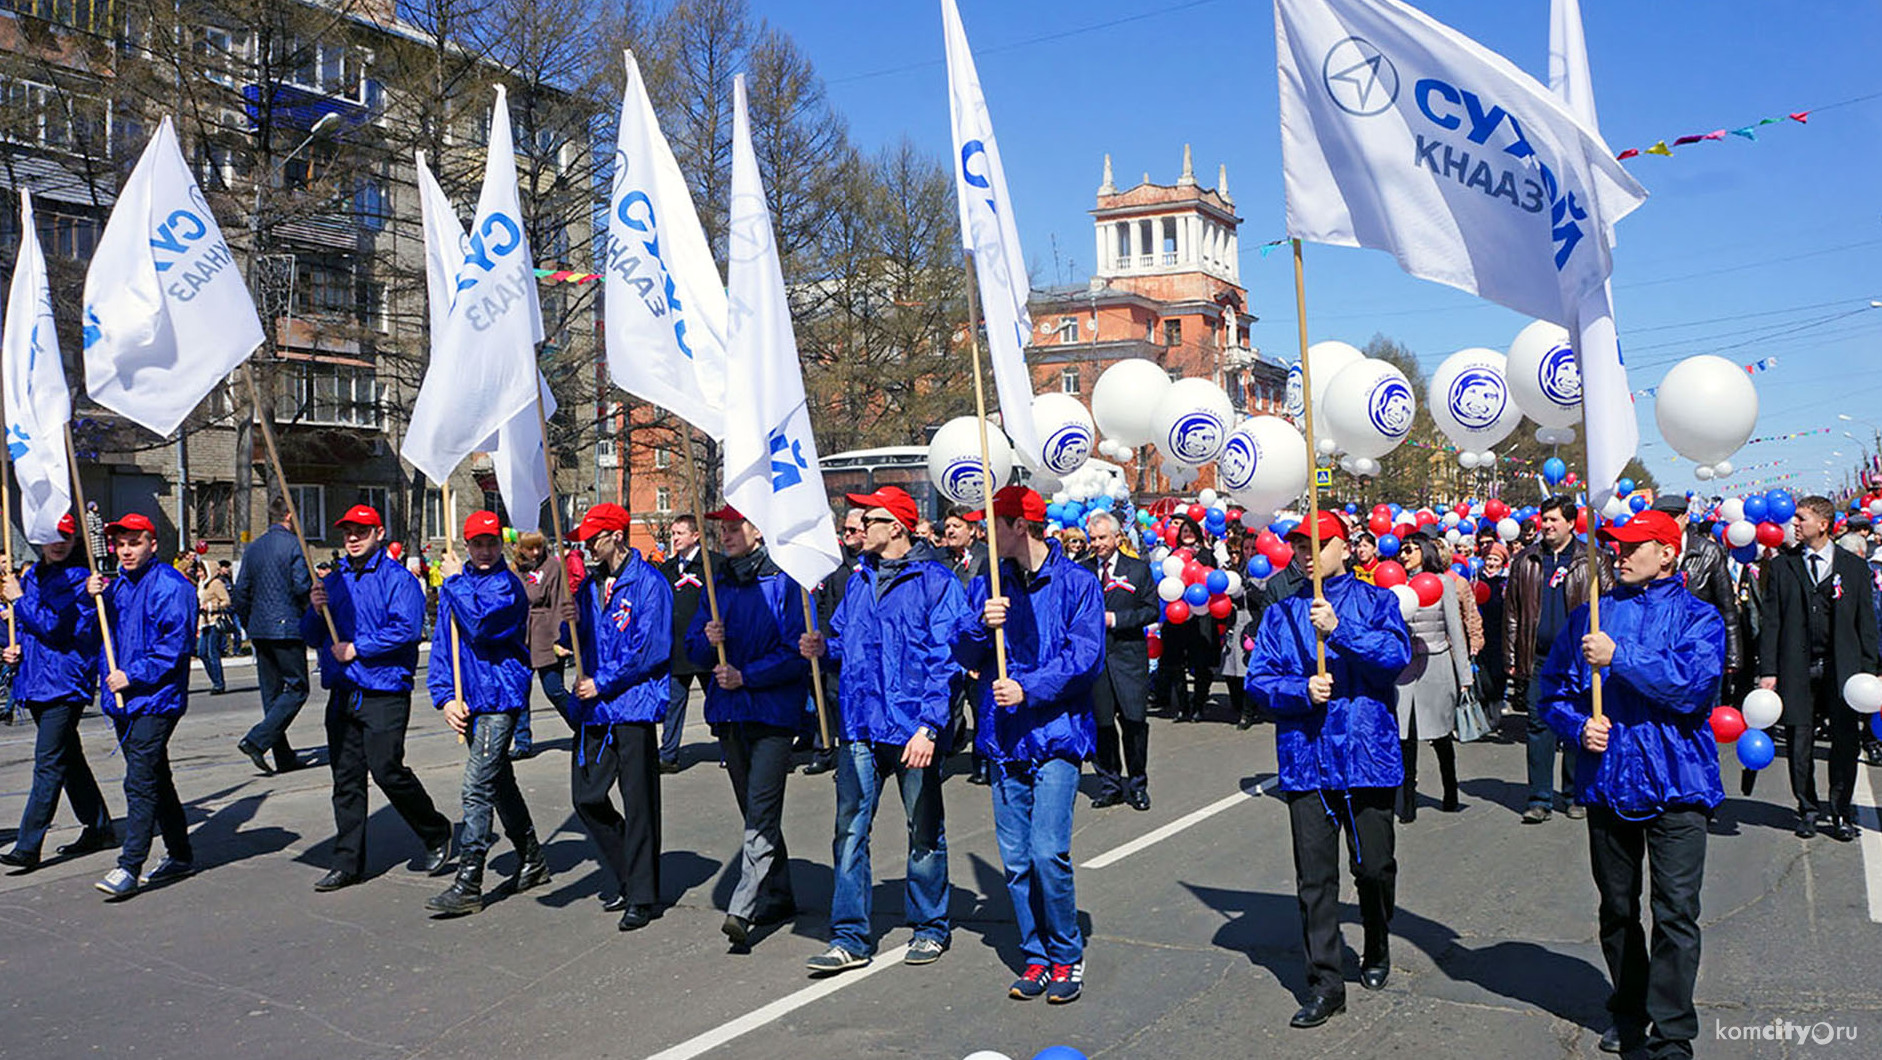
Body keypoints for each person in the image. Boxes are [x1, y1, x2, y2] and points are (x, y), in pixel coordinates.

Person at [1537, 510, 1726, 1059]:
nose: (1618, 554)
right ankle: (1628, 1007)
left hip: (1679, 782)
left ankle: (1672, 1032)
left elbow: (1691, 689)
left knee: (1675, 912)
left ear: (1667, 552)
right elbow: (1551, 695)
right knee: (1618, 907)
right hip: (1609, 781)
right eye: (1615, 546)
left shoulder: (1700, 618)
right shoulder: (1590, 617)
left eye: (1632, 546)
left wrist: (1620, 658)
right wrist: (1578, 726)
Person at [1246, 512, 1410, 1029]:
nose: (1306, 553)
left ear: (1346, 547)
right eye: (1298, 544)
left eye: (1319, 543)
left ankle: (1377, 941)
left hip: (1367, 757)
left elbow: (1396, 657)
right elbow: (1258, 680)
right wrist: (1299, 691)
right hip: (1307, 759)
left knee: (1374, 868)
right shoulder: (1280, 614)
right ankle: (1325, 982)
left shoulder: (1377, 601)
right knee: (1314, 879)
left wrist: (1340, 632)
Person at [799, 486, 968, 974]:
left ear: (896, 526)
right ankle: (850, 936)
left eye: (869, 518)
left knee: (924, 831)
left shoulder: (935, 582)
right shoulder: (857, 581)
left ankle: (930, 926)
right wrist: (820, 647)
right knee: (849, 831)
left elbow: (947, 660)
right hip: (860, 726)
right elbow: (845, 644)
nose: (859, 525)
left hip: (913, 728)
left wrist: (929, 728)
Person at [951, 485, 1103, 1005]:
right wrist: (979, 623)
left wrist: (1029, 687)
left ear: (1019, 525)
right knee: (1015, 860)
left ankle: (1066, 952)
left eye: (991, 524)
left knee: (1046, 851)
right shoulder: (988, 585)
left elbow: (1084, 657)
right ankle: (1035, 953)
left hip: (1057, 735)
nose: (981, 534)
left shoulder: (1078, 583)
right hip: (1002, 735)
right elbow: (963, 648)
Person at [304, 504, 454, 893]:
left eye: (361, 531)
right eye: (348, 532)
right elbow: (310, 634)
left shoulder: (397, 579)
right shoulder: (333, 581)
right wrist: (313, 608)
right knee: (346, 779)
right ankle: (347, 862)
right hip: (343, 692)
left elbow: (406, 630)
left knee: (388, 770)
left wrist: (359, 649)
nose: (353, 538)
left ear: (379, 533)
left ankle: (435, 831)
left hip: (383, 689)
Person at [686, 506, 812, 947]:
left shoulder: (784, 582)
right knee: (753, 808)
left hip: (773, 715)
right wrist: (707, 640)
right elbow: (691, 651)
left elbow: (796, 650)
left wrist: (747, 676)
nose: (726, 534)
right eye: (722, 527)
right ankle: (780, 892)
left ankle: (744, 904)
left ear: (758, 530)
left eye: (735, 526)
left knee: (760, 807)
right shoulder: (716, 585)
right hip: (729, 714)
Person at [424, 512, 551, 916]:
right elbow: (445, 645)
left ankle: (469, 882)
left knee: (476, 786)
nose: (484, 551)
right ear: (466, 545)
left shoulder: (508, 586)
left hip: (499, 696)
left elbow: (480, 625)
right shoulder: (455, 588)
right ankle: (532, 859)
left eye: (491, 543)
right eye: (477, 544)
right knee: (498, 783)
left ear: (501, 544)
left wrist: (455, 581)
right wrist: (445, 697)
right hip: (469, 698)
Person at [568, 502, 673, 931]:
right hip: (596, 709)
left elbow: (650, 649)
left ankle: (642, 896)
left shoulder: (649, 584)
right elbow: (575, 641)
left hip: (633, 704)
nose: (588, 546)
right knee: (587, 796)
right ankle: (630, 871)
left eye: (594, 538)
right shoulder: (589, 586)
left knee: (639, 800)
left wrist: (604, 681)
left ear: (615, 535)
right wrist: (566, 625)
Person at [89, 513, 199, 900]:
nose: (126, 550)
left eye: (134, 542)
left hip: (156, 699)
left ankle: (129, 865)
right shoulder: (116, 587)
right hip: (124, 700)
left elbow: (174, 647)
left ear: (153, 544)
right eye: (120, 544)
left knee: (138, 780)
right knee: (156, 775)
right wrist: (92, 600)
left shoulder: (171, 586)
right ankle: (180, 853)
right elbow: (100, 634)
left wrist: (132, 675)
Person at [1757, 495, 1878, 841]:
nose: (1794, 524)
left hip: (1843, 670)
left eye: (1802, 518)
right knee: (1799, 740)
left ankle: (1841, 811)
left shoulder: (1853, 568)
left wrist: (1870, 668)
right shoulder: (1783, 566)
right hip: (1797, 667)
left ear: (1823, 524)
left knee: (1844, 740)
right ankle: (1807, 808)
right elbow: (1772, 623)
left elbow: (1866, 623)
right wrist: (1768, 672)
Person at [0, 513, 115, 872]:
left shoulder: (82, 579)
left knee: (48, 763)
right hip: (35, 681)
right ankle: (98, 827)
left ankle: (28, 845)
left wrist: (19, 601)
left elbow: (55, 627)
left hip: (65, 682)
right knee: (69, 760)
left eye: (66, 535)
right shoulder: (31, 575)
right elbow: (29, 629)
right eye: (52, 536)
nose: (59, 542)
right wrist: (10, 648)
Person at [1505, 496, 1611, 824]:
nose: (1547, 526)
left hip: (1579, 660)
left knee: (1576, 724)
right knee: (1539, 725)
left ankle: (1575, 793)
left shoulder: (1592, 560)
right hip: (1540, 659)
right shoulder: (1526, 560)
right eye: (1544, 520)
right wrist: (1511, 654)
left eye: (1553, 520)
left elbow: (1608, 606)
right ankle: (1539, 798)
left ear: (1570, 523)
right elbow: (1513, 611)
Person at [1081, 510, 1157, 810]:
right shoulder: (1083, 570)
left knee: (1135, 723)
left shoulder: (1137, 570)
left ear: (1116, 537)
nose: (1097, 543)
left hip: (1128, 658)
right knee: (1102, 726)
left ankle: (1137, 783)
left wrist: (1117, 619)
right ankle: (1110, 784)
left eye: (1102, 537)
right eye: (1093, 538)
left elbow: (1151, 611)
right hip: (1096, 663)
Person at [232, 494, 312, 775]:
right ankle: (256, 739)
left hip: (260, 629)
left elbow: (240, 591)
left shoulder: (254, 548)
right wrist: (310, 621)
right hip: (287, 627)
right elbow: (302, 587)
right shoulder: (294, 545)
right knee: (298, 688)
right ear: (289, 516)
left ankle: (284, 756)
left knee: (272, 694)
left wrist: (248, 622)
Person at [1395, 539, 1469, 820]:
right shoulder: (1396, 583)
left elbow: (1455, 629)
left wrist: (1463, 674)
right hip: (1404, 669)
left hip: (1436, 664)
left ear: (1424, 552)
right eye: (1401, 550)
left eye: (1410, 550)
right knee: (1406, 736)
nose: (1404, 555)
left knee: (1439, 734)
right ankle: (1408, 800)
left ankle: (1450, 789)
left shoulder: (1442, 583)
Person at [659, 515, 720, 773]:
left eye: (680, 533)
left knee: (717, 702)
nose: (674, 538)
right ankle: (668, 754)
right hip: (677, 649)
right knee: (673, 704)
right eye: (672, 533)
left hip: (706, 647)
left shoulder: (713, 564)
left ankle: (731, 748)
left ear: (695, 536)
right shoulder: (668, 568)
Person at [1154, 514, 1218, 724]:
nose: (1187, 534)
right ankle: (1183, 707)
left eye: (1190, 530)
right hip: (1177, 615)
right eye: (1184, 531)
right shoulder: (1172, 555)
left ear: (1197, 533)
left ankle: (1199, 705)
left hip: (1200, 616)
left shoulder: (1207, 555)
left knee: (1201, 664)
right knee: (1175, 663)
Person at [515, 531, 576, 743]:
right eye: (529, 548)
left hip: (546, 632)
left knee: (554, 689)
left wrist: (561, 638)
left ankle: (583, 725)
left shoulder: (552, 567)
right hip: (521, 635)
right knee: (520, 690)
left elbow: (560, 601)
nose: (534, 552)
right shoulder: (514, 569)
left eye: (538, 547)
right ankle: (522, 740)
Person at [195, 558, 231, 695]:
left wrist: (210, 606)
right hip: (204, 623)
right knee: (202, 653)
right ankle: (215, 679)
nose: (199, 574)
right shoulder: (202, 584)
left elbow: (226, 601)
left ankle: (219, 684)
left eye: (201, 571)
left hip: (215, 621)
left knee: (212, 653)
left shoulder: (216, 583)